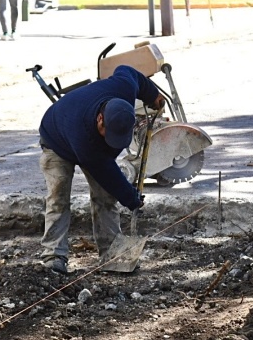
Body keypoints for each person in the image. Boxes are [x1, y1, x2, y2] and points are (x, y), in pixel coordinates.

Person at [38, 65, 164, 275]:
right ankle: (54, 256)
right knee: (58, 197)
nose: (112, 143)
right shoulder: (85, 139)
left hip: (84, 138)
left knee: (105, 198)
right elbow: (107, 174)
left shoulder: (123, 87)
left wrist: (152, 94)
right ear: (100, 120)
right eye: (109, 136)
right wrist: (131, 198)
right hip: (56, 139)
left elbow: (128, 71)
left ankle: (111, 255)